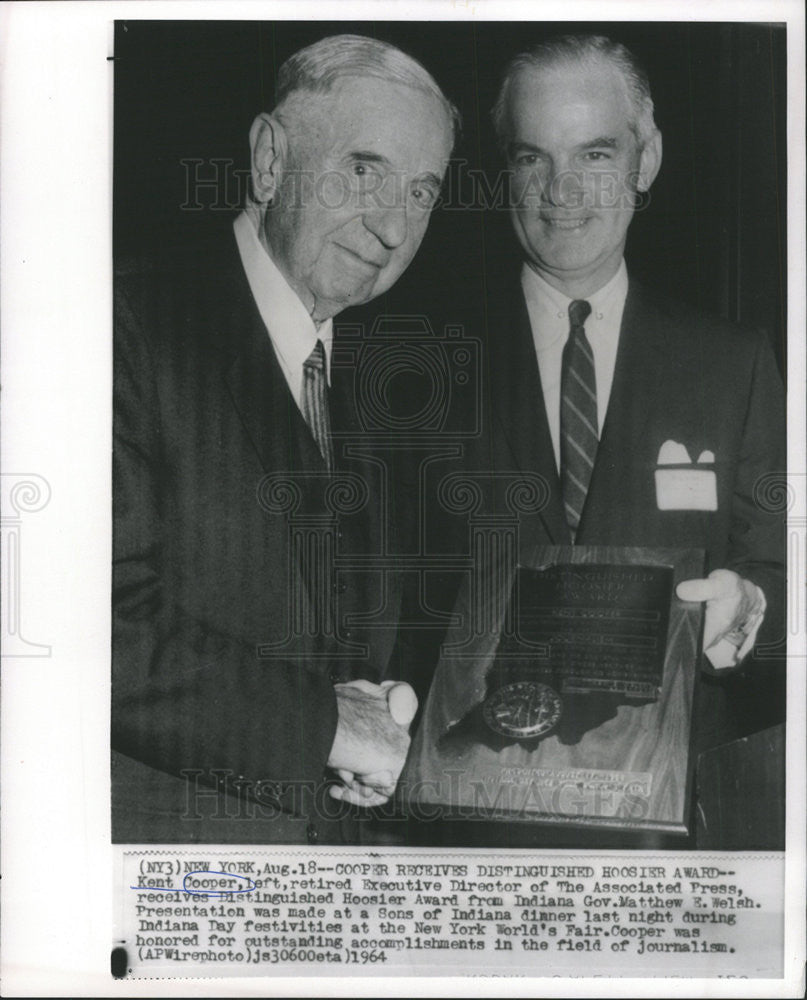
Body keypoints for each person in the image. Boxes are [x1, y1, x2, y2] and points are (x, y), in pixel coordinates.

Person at [112, 34, 457, 844]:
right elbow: (84, 625)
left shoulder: (383, 380)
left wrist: (400, 701)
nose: (391, 226)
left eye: (421, 192)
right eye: (365, 169)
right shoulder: (123, 323)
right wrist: (330, 729)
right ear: (269, 161)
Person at [479, 33, 785, 752]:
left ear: (643, 161)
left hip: (672, 789)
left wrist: (751, 603)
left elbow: (783, 566)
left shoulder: (731, 364)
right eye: (532, 157)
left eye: (593, 154)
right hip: (468, 784)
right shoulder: (418, 359)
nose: (560, 191)